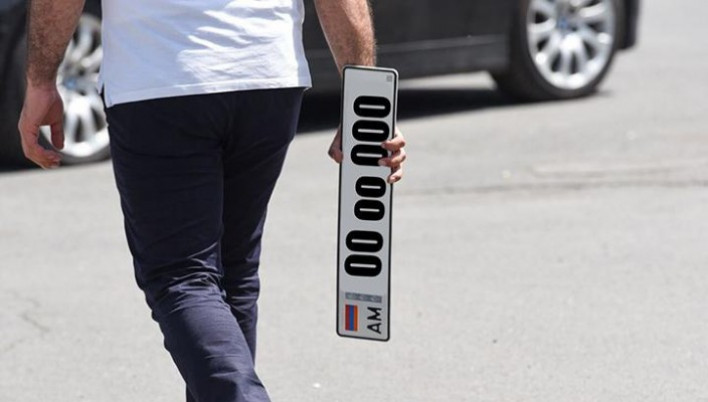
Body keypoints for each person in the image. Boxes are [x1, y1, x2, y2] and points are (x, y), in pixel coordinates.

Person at [18, 0, 406, 400]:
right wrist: (366, 103)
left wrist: (41, 81)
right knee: (233, 271)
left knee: (182, 276)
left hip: (161, 78)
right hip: (267, 74)